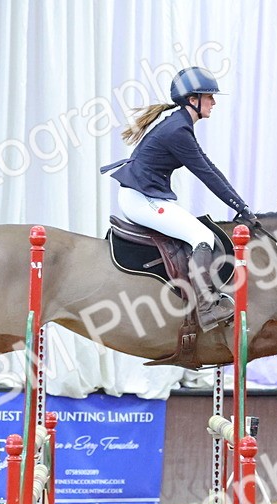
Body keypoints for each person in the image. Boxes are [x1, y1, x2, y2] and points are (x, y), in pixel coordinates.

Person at [102, 66, 255, 330]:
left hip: (146, 195)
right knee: (203, 237)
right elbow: (206, 173)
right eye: (209, 96)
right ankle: (206, 309)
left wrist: (240, 205)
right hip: (141, 199)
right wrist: (240, 206)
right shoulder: (177, 131)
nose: (214, 102)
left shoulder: (180, 125)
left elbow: (208, 166)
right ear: (192, 99)